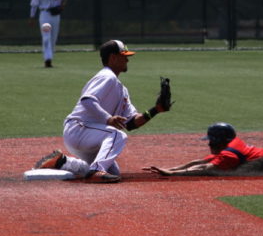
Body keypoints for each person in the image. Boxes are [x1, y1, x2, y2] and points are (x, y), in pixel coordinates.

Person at [33, 40, 172, 183]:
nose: (127, 59)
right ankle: (96, 172)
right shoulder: (107, 76)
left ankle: (63, 162)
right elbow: (87, 100)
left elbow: (131, 123)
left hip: (92, 136)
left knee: (114, 172)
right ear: (113, 58)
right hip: (79, 129)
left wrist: (156, 110)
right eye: (123, 55)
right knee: (117, 135)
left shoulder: (121, 89)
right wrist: (108, 119)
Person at [29, 0, 68, 67]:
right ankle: (47, 59)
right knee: (46, 37)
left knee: (53, 38)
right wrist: (32, 17)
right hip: (45, 14)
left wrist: (62, 6)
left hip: (55, 15)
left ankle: (50, 58)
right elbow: (34, 4)